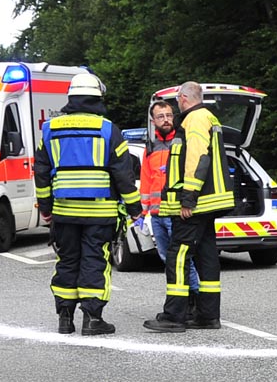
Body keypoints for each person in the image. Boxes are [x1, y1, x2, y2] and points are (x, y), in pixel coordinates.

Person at [34, 72, 141, 335]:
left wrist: (46, 207)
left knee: (67, 260)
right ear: (97, 98)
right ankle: (92, 319)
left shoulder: (50, 129)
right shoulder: (108, 129)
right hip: (99, 211)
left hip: (64, 211)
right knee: (95, 260)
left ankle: (65, 319)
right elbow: (123, 174)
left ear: (70, 98)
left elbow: (41, 172)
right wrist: (134, 207)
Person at [143, 81, 234, 333]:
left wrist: (188, 197)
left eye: (177, 100)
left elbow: (197, 156)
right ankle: (207, 315)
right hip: (209, 202)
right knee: (206, 257)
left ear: (183, 98)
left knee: (178, 255)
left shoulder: (194, 119)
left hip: (197, 203)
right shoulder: (208, 117)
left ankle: (174, 316)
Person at [139, 100, 199, 307]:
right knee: (167, 259)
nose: (166, 120)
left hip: (175, 212)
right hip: (157, 214)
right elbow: (146, 178)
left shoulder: (182, 140)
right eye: (161, 116)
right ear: (152, 120)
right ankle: (179, 299)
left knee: (183, 259)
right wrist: (142, 210)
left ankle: (194, 297)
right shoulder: (150, 146)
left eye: (169, 115)